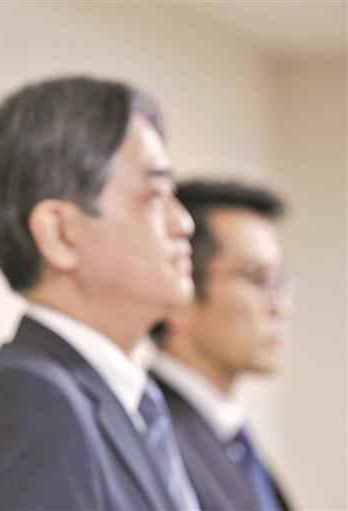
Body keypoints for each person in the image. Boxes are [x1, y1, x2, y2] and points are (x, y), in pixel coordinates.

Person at [0, 76, 198, 510]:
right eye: (154, 195)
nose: (184, 223)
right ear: (58, 233)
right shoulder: (28, 406)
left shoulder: (120, 400)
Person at [149, 179, 291, 511]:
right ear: (181, 288)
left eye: (280, 281)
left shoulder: (231, 438)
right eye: (257, 278)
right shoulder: (152, 434)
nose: (279, 306)